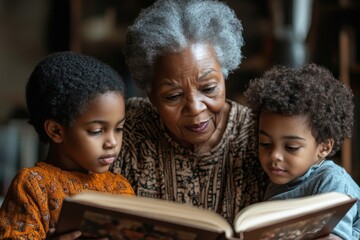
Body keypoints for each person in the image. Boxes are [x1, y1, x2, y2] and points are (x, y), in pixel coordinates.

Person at [110, 0, 267, 224]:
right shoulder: (126, 130)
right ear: (151, 95)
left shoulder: (260, 134)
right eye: (173, 96)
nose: (195, 107)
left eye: (209, 88)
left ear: (225, 77)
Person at [0, 51, 135, 239]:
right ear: (56, 131)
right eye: (96, 131)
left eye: (119, 128)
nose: (112, 142)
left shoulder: (120, 188)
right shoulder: (32, 186)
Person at [244, 63, 360, 239]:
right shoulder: (278, 181)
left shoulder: (331, 182)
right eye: (265, 143)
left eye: (291, 147)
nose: (274, 155)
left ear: (324, 147)